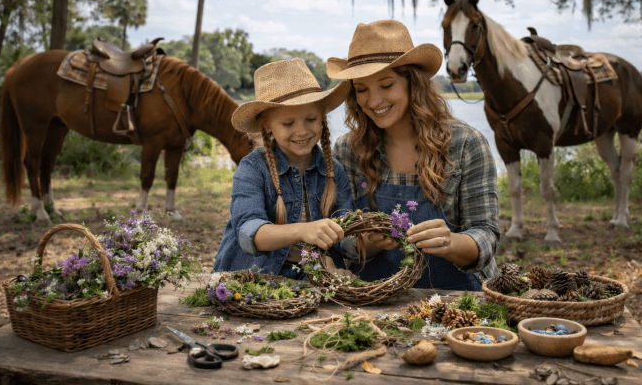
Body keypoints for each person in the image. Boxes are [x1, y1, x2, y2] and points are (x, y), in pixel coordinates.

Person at [327, 19, 500, 290]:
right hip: (376, 300)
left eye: (386, 85)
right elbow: (339, 234)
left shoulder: (467, 144)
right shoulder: (348, 151)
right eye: (362, 90)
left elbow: (486, 234)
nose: (373, 101)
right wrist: (365, 243)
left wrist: (451, 243)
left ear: (413, 82)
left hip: (460, 299)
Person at [213, 58, 354, 279]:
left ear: (323, 117)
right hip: (253, 282)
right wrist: (303, 231)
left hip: (314, 280)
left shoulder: (335, 171)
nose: (301, 131)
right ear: (267, 125)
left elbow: (345, 236)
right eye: (288, 124)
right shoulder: (252, 168)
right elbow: (250, 233)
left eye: (311, 119)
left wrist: (366, 242)